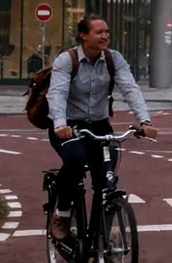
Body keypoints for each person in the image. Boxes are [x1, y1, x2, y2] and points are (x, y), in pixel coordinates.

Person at [45, 17, 156, 243]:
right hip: (69, 125)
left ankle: (101, 239)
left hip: (99, 125)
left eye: (106, 32)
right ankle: (62, 214)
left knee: (105, 180)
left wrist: (145, 121)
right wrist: (60, 124)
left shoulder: (114, 59)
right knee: (75, 160)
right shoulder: (67, 60)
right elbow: (57, 93)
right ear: (84, 35)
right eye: (99, 32)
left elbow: (130, 89)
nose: (105, 36)